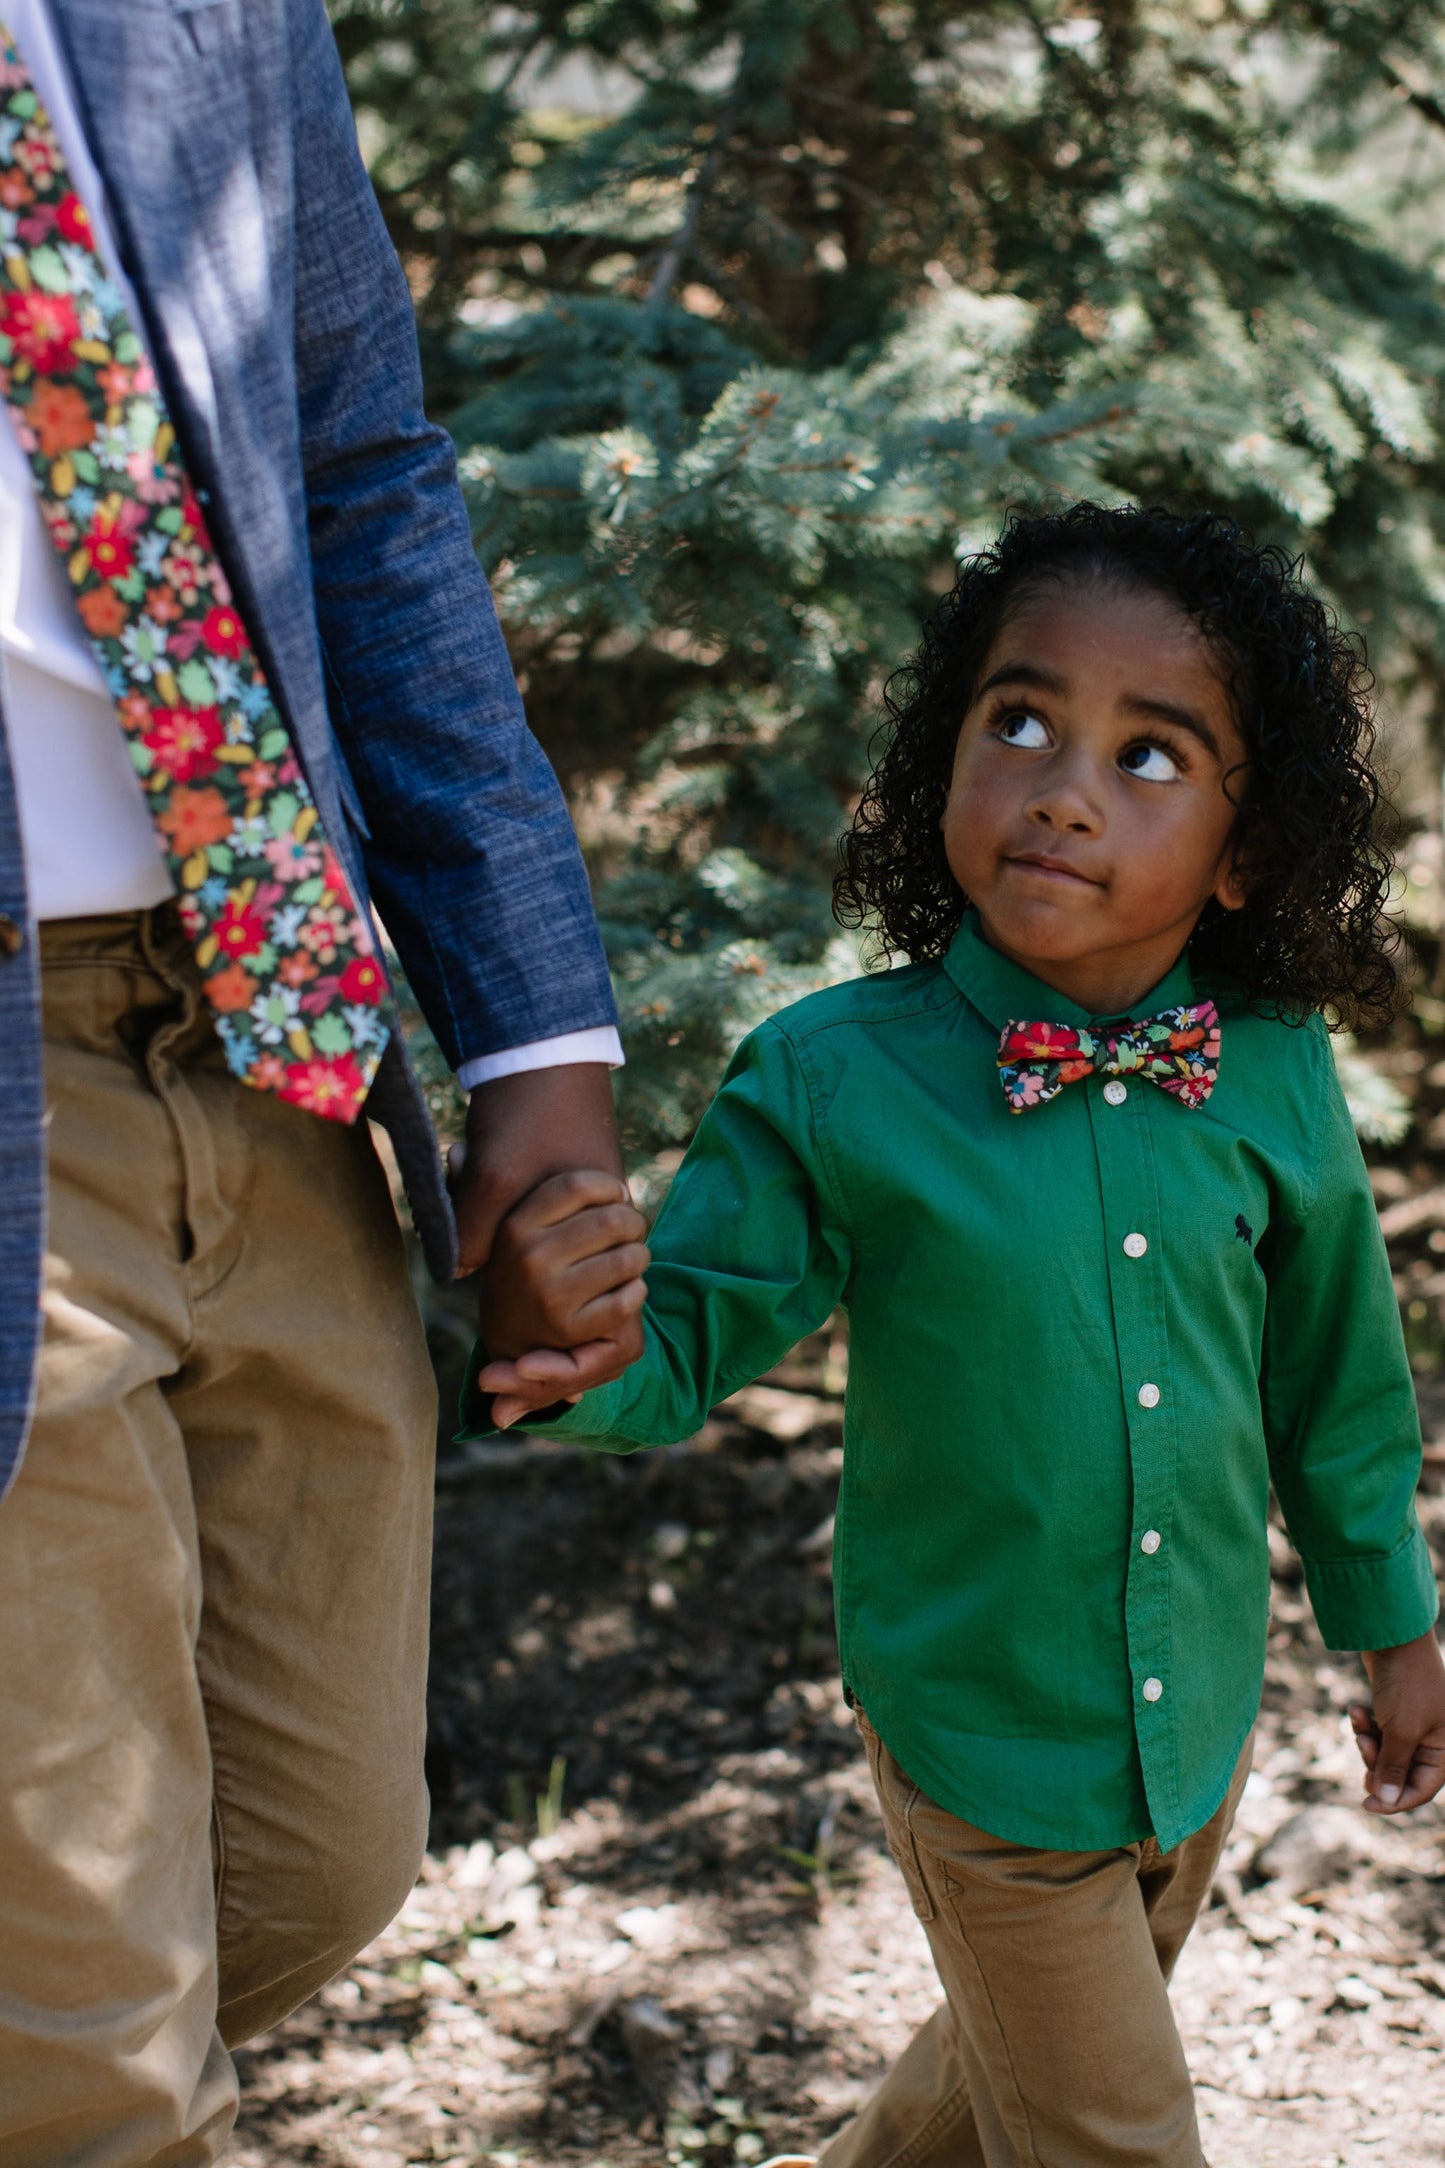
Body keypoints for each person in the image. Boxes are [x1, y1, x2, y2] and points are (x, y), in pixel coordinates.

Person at [467, 503, 1445, 2168]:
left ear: (1243, 851)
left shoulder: (1272, 1072)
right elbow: (686, 1336)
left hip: (1190, 1718)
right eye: (1019, 722)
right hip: (981, 1738)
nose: (1063, 784)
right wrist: (574, 1352)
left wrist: (1392, 1628)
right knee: (1111, 2133)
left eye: (1150, 756)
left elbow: (1332, 1383)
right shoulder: (838, 1078)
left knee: (992, 2085)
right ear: (943, 759)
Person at [0, 2, 642, 2156]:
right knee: (96, 2041)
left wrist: (530, 1029)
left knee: (316, 1845)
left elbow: (357, 453)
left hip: (268, 1019)